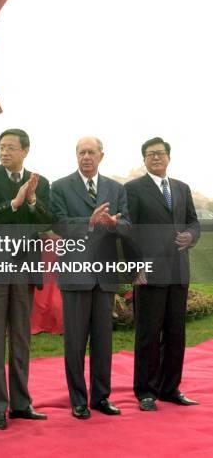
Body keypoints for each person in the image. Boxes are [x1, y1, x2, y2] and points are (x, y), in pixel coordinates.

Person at [0, 128, 52, 430]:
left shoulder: (39, 182)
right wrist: (13, 204)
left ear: (25, 151)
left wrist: (30, 202)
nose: (4, 152)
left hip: (25, 269)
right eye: (1, 147)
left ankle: (20, 404)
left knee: (20, 338)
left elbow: (47, 221)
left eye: (11, 147)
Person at [50, 136, 130, 419]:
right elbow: (57, 223)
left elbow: (128, 225)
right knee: (75, 342)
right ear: (76, 155)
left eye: (91, 152)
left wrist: (115, 224)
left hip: (105, 276)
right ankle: (78, 400)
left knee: (102, 341)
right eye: (81, 152)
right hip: (75, 275)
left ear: (101, 156)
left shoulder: (116, 188)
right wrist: (89, 221)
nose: (86, 156)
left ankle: (101, 397)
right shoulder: (59, 187)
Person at [124, 137, 200, 411]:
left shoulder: (181, 188)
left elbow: (193, 221)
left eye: (160, 153)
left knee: (176, 333)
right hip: (149, 272)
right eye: (150, 154)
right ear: (144, 160)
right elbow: (128, 231)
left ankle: (170, 388)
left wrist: (190, 235)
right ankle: (145, 391)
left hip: (179, 270)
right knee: (148, 332)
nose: (155, 158)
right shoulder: (133, 189)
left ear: (169, 157)